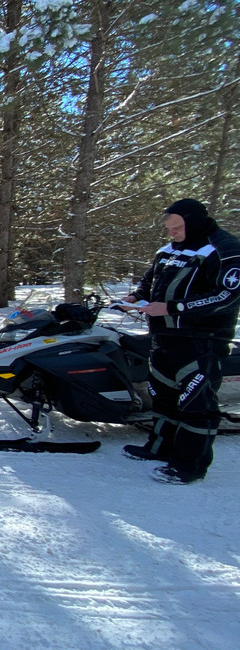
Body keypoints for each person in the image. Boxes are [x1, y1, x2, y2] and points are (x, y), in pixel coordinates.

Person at [119, 198, 240, 484]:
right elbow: (150, 281)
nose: (172, 233)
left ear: (194, 222)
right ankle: (160, 448)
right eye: (169, 228)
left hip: (202, 339)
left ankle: (190, 466)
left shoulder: (224, 249)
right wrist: (135, 297)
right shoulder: (168, 250)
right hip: (164, 336)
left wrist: (175, 308)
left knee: (196, 402)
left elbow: (228, 295)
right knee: (164, 397)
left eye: (177, 228)